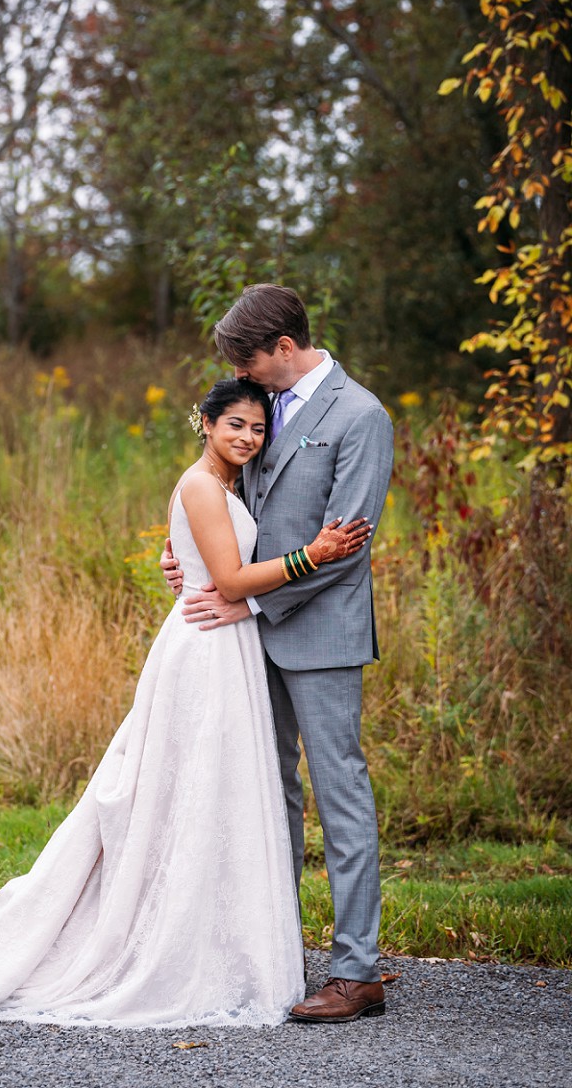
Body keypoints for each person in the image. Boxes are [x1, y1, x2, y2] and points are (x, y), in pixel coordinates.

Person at [0, 377, 370, 1030]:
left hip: (226, 643)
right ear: (206, 424)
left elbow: (212, 556)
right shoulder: (199, 484)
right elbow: (235, 579)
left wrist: (181, 551)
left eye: (258, 428)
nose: (248, 437)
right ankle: (171, 942)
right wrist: (315, 554)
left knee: (219, 792)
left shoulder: (227, 487)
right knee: (188, 789)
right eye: (235, 425)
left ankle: (220, 941)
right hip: (207, 648)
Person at [163, 283, 394, 1024]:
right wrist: (195, 561)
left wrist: (249, 597)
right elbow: (230, 501)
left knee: (341, 796)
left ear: (286, 348)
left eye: (252, 362)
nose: (248, 376)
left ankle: (357, 973)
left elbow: (345, 548)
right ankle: (274, 954)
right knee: (268, 795)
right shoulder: (263, 406)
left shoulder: (361, 416)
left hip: (319, 635)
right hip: (243, 640)